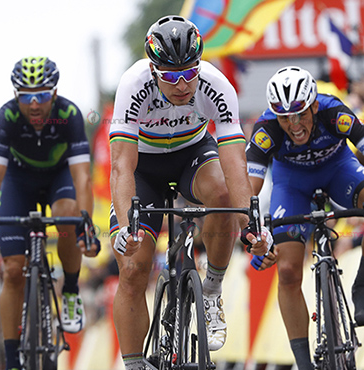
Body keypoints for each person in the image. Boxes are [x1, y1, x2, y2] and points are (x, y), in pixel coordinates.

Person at [109, 15, 273, 370]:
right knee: (134, 268)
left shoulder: (216, 83)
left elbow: (234, 162)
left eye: (189, 72)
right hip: (143, 169)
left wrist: (253, 223)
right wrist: (126, 227)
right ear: (153, 71)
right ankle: (136, 364)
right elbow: (121, 164)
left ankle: (212, 290)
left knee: (222, 194)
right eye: (171, 76)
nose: (183, 84)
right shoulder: (132, 85)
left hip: (192, 156)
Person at [246, 65, 364, 369]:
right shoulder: (266, 129)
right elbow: (247, 193)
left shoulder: (333, 111)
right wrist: (254, 234)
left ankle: (362, 286)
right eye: (284, 117)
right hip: (292, 184)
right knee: (286, 271)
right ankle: (303, 364)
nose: (294, 124)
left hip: (338, 169)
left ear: (314, 104)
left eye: (300, 113)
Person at [0, 56, 101, 370]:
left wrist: (86, 224)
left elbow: (82, 176)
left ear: (54, 93)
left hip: (59, 178)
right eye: (26, 96)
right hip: (19, 181)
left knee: (68, 214)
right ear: (16, 96)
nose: (35, 104)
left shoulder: (69, 115)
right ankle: (13, 360)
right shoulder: (6, 117)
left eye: (42, 94)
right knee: (13, 270)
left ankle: (69, 288)